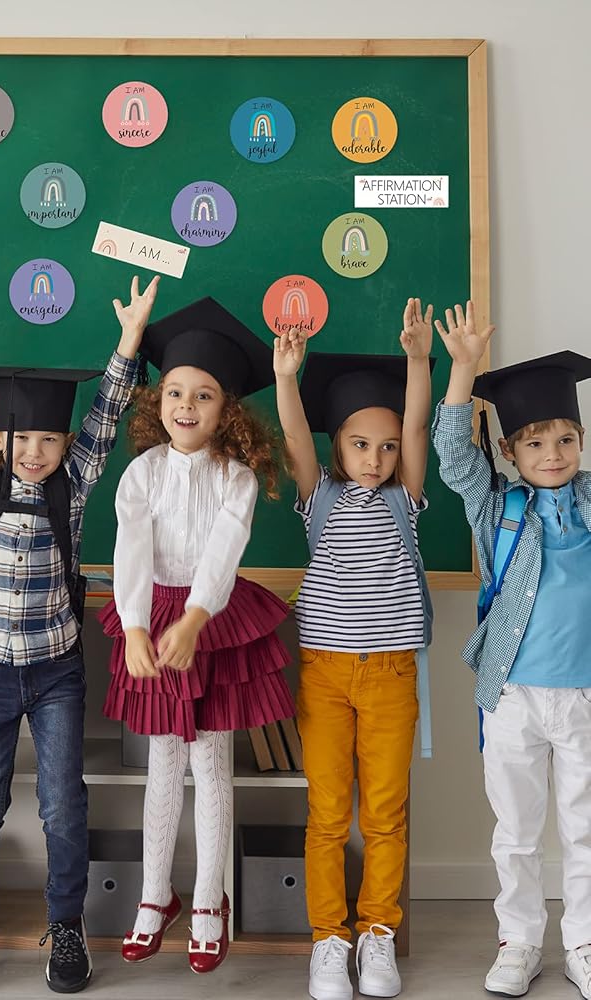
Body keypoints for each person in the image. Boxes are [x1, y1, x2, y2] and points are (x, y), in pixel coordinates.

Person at [0, 263, 156, 997]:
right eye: (22, 438)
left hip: (55, 671)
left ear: (65, 442)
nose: (36, 452)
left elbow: (107, 413)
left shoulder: (72, 484)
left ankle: (66, 926)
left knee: (62, 806)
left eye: (50, 439)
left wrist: (130, 339)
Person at [100, 296, 293, 975]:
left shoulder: (236, 479)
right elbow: (130, 551)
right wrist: (134, 626)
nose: (186, 405)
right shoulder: (142, 473)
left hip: (212, 620)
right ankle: (156, 895)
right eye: (176, 391)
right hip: (152, 614)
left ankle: (211, 900)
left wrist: (195, 618)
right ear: (159, 401)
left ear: (226, 410)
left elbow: (223, 552)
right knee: (162, 763)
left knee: (211, 764)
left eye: (203, 395)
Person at [274, 299, 434, 1000]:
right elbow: (292, 435)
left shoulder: (406, 500)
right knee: (329, 813)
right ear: (337, 445)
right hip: (325, 675)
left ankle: (377, 934)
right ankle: (328, 940)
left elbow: (420, 423)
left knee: (386, 814)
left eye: (387, 447)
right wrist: (286, 377)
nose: (376, 458)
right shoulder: (320, 497)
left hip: (392, 674)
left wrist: (419, 361)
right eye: (361, 445)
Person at [432, 301, 591, 1000]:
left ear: (581, 440)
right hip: (513, 696)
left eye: (565, 439)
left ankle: (583, 943)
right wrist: (463, 370)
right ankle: (520, 941)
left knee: (585, 832)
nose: (552, 454)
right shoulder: (497, 506)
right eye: (534, 444)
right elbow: (451, 454)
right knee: (518, 831)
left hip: (585, 695)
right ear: (508, 452)